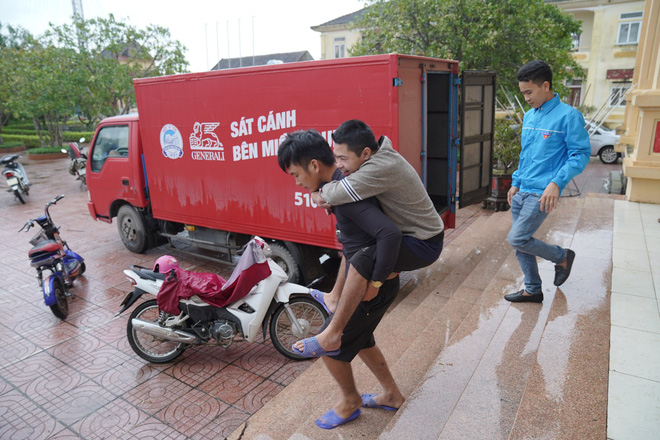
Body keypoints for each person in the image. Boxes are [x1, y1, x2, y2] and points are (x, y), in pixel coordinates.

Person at [278, 129, 405, 429]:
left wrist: (375, 283)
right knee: (361, 340)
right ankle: (391, 395)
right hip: (367, 280)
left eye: (296, 175)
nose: (297, 183)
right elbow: (354, 244)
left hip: (373, 283)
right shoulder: (339, 188)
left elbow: (387, 235)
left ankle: (350, 400)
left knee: (330, 345)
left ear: (313, 165)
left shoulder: (344, 194)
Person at [306, 119, 445, 355]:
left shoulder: (381, 167)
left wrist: (319, 194)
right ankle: (334, 297)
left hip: (423, 243)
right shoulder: (378, 157)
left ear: (366, 153)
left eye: (343, 158)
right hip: (416, 235)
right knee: (355, 245)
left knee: (363, 257)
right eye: (335, 156)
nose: (338, 164)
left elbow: (340, 191)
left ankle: (332, 334)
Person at [504, 60, 591, 303]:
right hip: (523, 190)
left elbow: (581, 155)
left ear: (545, 85)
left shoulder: (569, 116)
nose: (526, 98)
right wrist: (516, 182)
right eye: (523, 94)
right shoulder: (530, 116)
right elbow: (526, 153)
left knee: (517, 238)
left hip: (542, 191)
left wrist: (556, 182)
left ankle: (561, 256)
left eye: (529, 92)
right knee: (520, 244)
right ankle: (532, 289)